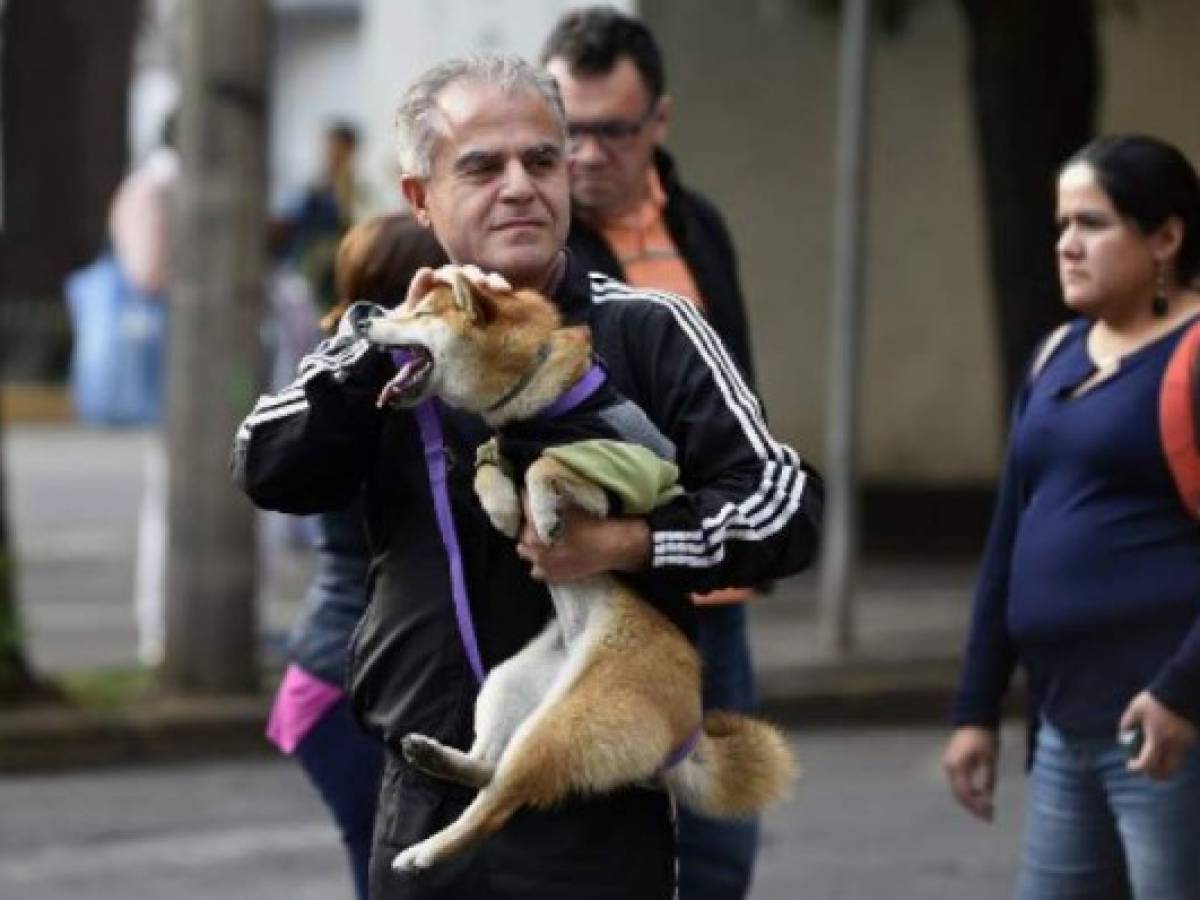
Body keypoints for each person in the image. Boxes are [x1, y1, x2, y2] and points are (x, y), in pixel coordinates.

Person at [233, 54, 823, 899]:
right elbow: (265, 463)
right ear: (418, 198)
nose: (520, 187)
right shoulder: (386, 345)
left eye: (542, 161)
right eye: (481, 166)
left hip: (595, 812)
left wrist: (633, 540)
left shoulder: (649, 329)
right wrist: (375, 353)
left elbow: (787, 507)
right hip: (425, 795)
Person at [942, 134, 1200, 899]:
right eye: (1062, 225)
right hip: (1065, 727)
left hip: (1168, 730)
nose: (1067, 245)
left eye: (1092, 224)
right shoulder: (1057, 351)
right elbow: (1008, 542)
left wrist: (1184, 693)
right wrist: (975, 709)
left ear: (1165, 237)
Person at [541, 9, 763, 897]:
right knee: (610, 846)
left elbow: (738, 405)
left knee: (719, 845)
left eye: (613, 131)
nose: (587, 154)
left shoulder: (699, 226)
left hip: (719, 591)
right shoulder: (545, 250)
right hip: (612, 601)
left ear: (658, 123)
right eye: (569, 129)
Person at [264, 214, 446, 900]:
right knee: (395, 878)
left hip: (331, 678)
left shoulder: (344, 369)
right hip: (349, 686)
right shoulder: (374, 390)